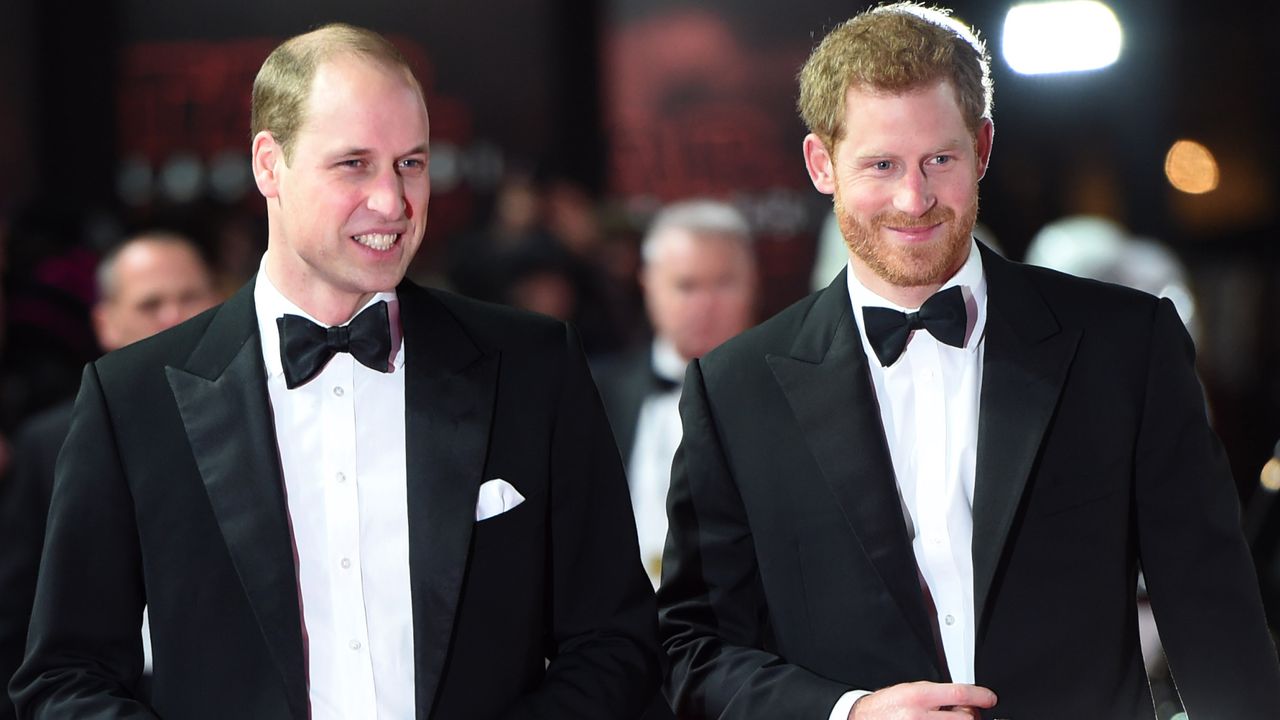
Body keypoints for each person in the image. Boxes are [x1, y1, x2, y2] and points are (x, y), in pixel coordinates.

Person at [10, 24, 659, 719]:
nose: (392, 202)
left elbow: (616, 642)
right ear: (269, 164)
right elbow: (65, 677)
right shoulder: (133, 398)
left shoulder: (534, 367)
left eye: (411, 163)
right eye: (354, 163)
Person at [657, 4, 1280, 719]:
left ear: (982, 148)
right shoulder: (736, 390)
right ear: (821, 163)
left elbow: (1212, 604)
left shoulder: (1125, 345)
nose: (913, 198)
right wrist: (849, 713)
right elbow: (694, 648)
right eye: (882, 164)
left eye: (939, 160)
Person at [0, 231, 218, 720]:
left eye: (190, 297)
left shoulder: (274, 412)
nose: (173, 317)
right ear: (106, 323)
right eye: (150, 304)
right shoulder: (46, 445)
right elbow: (17, 619)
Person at [595, 199, 756, 587]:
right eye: (686, 286)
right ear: (647, 283)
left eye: (723, 283)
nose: (705, 305)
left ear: (753, 281)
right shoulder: (595, 393)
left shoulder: (792, 396)